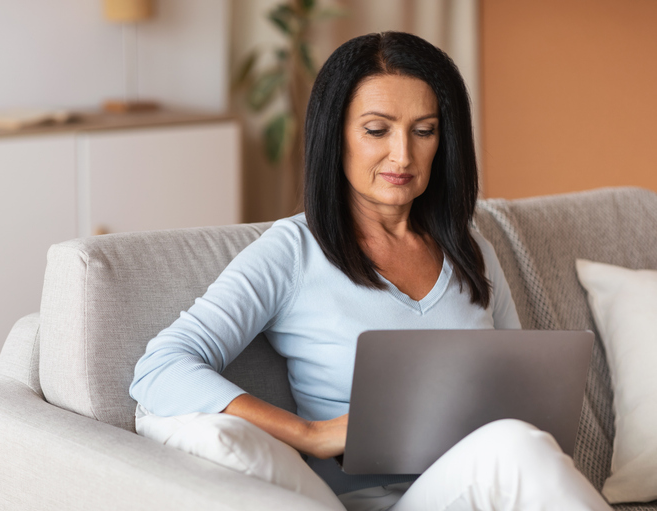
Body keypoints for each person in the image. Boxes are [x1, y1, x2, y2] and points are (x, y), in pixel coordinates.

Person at [130, 32, 611, 510]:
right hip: (368, 501)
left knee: (516, 442)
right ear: (335, 134)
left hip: (473, 489)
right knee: (514, 449)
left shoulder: (472, 249)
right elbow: (161, 368)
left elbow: (520, 399)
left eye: (424, 131)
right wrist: (309, 434)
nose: (402, 155)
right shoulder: (294, 251)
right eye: (377, 130)